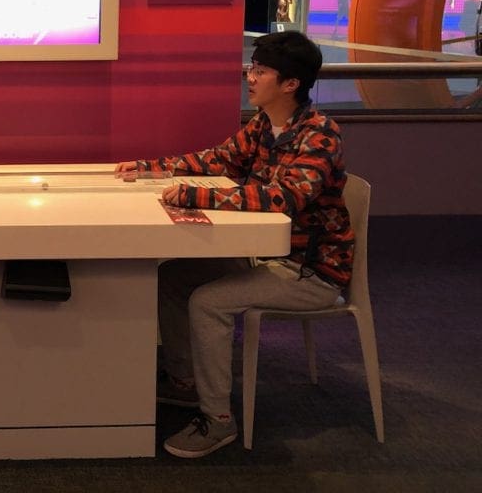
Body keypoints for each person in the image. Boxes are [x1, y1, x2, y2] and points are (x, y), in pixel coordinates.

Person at [115, 31, 353, 458]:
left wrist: (195, 194)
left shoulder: (319, 135)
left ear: (290, 83)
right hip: (266, 254)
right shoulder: (263, 126)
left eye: (260, 70)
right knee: (173, 275)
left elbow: (284, 198)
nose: (250, 76)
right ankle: (186, 381)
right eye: (252, 67)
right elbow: (217, 160)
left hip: (309, 269)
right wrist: (151, 168)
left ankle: (218, 420)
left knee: (208, 301)